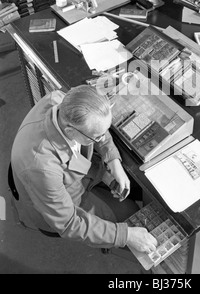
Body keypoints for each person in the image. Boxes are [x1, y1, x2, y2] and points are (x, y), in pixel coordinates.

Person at [10, 84, 158, 254]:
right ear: (70, 132)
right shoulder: (42, 167)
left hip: (79, 174)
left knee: (137, 188)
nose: (102, 138)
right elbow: (68, 224)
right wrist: (126, 236)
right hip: (65, 206)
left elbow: (97, 128)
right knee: (132, 220)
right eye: (97, 137)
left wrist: (113, 161)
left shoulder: (61, 101)